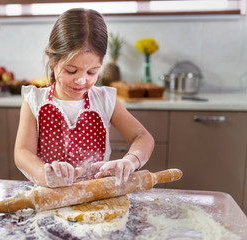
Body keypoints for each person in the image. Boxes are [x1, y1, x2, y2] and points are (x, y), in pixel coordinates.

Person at [14, 8, 154, 188]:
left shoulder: (104, 100)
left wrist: (131, 160)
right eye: (71, 71)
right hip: (48, 196)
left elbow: (143, 137)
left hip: (94, 199)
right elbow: (22, 153)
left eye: (92, 72)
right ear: (52, 59)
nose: (81, 80)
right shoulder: (35, 100)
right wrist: (45, 174)